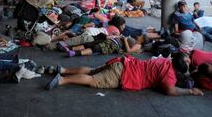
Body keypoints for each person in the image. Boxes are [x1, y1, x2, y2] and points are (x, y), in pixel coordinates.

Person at [45, 52, 204, 97]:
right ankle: (62, 80)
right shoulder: (169, 74)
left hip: (123, 62)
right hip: (124, 74)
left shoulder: (165, 60)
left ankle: (64, 70)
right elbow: (170, 90)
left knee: (91, 71)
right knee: (92, 80)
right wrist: (190, 91)